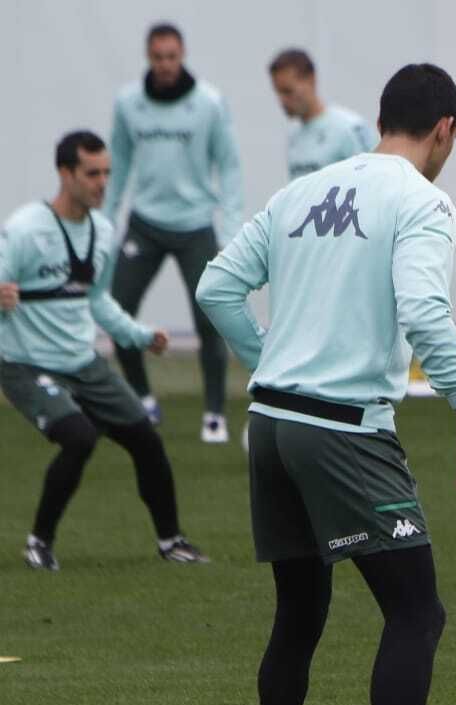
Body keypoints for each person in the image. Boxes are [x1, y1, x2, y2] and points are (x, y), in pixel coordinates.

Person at [196, 63, 456, 705]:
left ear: (382, 118)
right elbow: (426, 311)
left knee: (299, 612)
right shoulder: (423, 199)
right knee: (416, 609)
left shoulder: (302, 190)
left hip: (271, 425)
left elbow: (216, 288)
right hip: (342, 430)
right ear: (446, 131)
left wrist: (269, 361)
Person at [0, 131, 207, 571]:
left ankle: (172, 541)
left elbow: (96, 301)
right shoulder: (24, 230)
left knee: (147, 441)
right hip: (24, 363)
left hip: (83, 361)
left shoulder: (102, 230)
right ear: (65, 174)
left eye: (107, 173)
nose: (101, 183)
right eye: (91, 174)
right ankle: (39, 543)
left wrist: (139, 334)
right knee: (79, 437)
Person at [106, 22, 242, 443]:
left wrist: (232, 229)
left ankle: (214, 415)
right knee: (117, 313)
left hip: (195, 225)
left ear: (181, 57)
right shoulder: (128, 103)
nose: (165, 65)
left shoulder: (208, 103)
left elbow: (230, 166)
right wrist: (104, 224)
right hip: (144, 224)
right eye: (158, 57)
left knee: (208, 320)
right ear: (149, 58)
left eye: (172, 57)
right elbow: (118, 167)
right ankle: (143, 399)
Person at [268, 48, 380, 181]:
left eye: (288, 91)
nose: (282, 100)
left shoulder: (349, 128)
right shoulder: (293, 135)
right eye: (278, 92)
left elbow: (374, 179)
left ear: (311, 80)